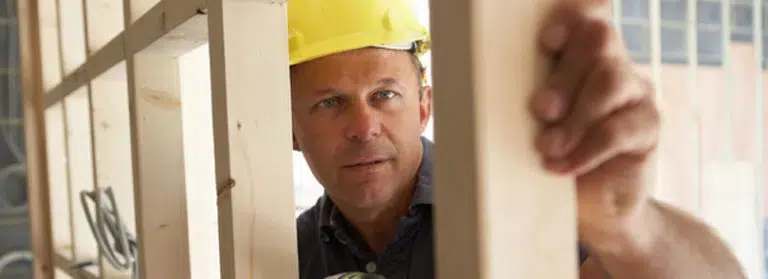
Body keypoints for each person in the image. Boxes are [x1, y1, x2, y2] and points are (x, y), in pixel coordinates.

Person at [288, 0, 746, 278]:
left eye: (385, 95)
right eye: (330, 103)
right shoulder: (284, 256)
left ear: (424, 107)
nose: (364, 127)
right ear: (290, 130)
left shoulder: (517, 198)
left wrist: (630, 224)